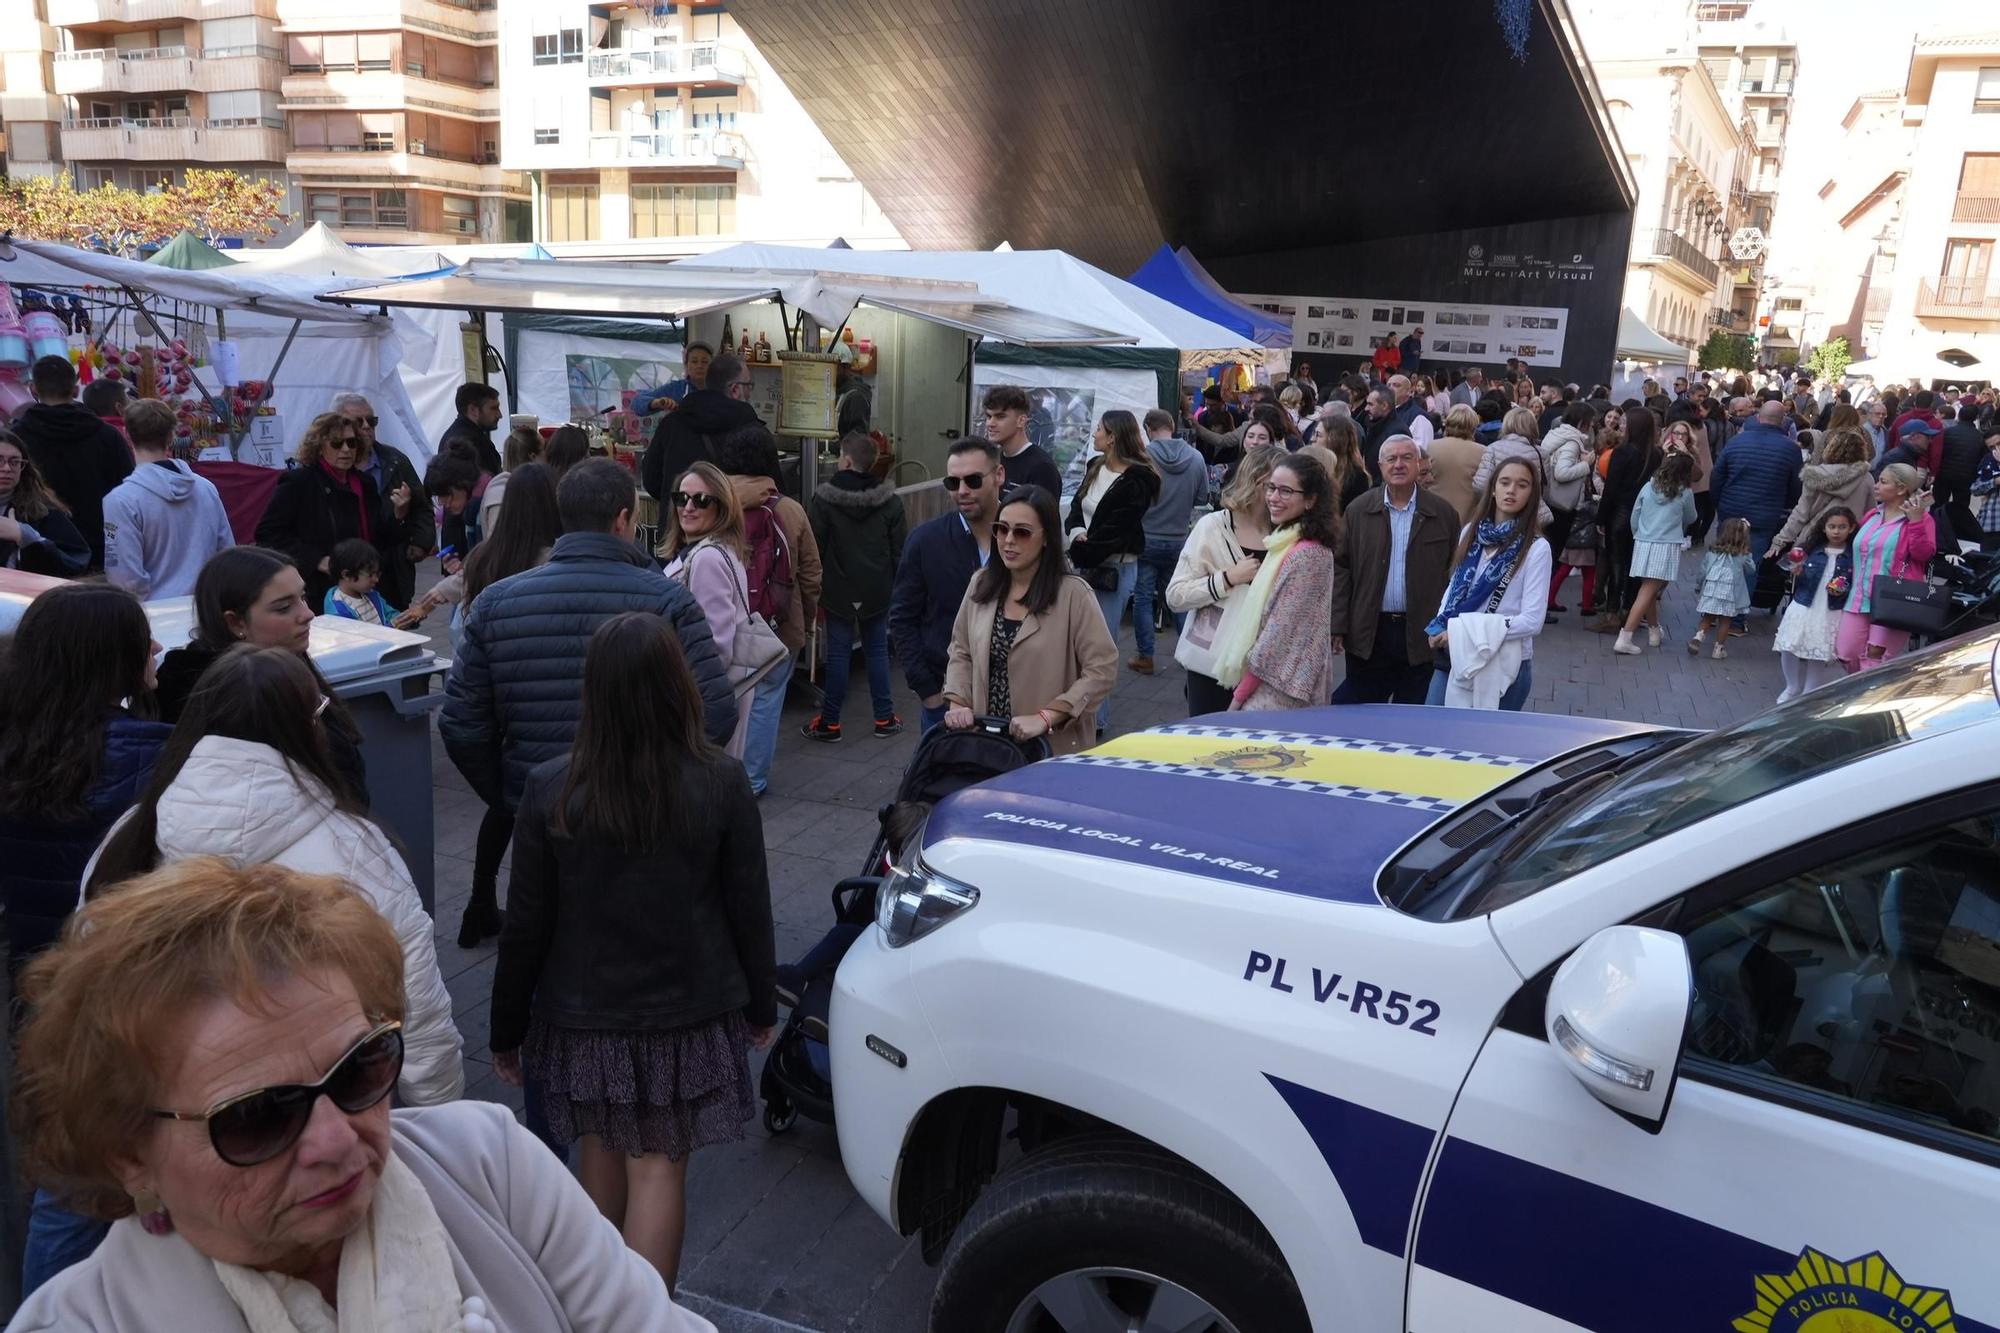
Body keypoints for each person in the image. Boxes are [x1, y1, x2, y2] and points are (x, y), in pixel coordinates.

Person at [8, 860, 707, 1330]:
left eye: (359, 1070)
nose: (339, 1140)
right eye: (256, 1116)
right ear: (129, 1150)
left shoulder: (488, 1164)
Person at [492, 612, 773, 1293]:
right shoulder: (722, 782)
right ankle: (647, 1316)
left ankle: (590, 1306)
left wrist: (506, 1029)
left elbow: (525, 925)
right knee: (659, 1166)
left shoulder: (551, 787)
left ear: (595, 691)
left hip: (585, 1012)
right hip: (688, 1006)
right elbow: (748, 904)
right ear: (679, 685)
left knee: (600, 1151)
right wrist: (761, 1003)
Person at [86, 643, 462, 1106]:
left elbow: (93, 977)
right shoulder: (355, 848)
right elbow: (415, 998)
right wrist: (440, 1114)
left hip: (178, 1109)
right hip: (320, 1106)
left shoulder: (130, 835)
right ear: (306, 727)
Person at [442, 458, 737, 821]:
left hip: (541, 810)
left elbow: (461, 723)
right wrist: (658, 778)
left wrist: (513, 792)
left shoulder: (494, 603)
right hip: (640, 813)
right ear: (622, 519)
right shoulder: (668, 600)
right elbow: (717, 711)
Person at [0, 583, 167, 1000]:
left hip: (37, 975)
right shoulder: (158, 755)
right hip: (129, 978)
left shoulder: (15, 743)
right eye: (142, 639)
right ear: (112, 658)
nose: (157, 647)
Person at [153, 546, 369, 802]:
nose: (308, 614)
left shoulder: (285, 664)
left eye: (303, 597)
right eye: (283, 607)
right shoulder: (234, 702)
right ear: (235, 623)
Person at [942, 484, 1117, 754]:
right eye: (1001, 528)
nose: (1008, 540)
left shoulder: (1074, 595)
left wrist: (1048, 716)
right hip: (986, 741)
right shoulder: (981, 583)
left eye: (1022, 532)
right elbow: (961, 651)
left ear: (1046, 537)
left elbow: (1101, 669)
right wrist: (958, 702)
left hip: (1047, 749)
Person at [714, 424, 820, 791]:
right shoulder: (789, 509)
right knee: (766, 701)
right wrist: (805, 620)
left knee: (722, 697)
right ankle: (752, 781)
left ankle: (717, 775)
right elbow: (810, 574)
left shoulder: (710, 505)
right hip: (777, 625)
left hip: (722, 622)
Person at [1330, 435, 1459, 704]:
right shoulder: (1358, 510)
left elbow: (1454, 575)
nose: (1398, 464)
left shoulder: (1443, 513)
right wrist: (1338, 624)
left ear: (1419, 463)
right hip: (1370, 631)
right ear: (1379, 465)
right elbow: (1342, 569)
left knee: (1412, 717)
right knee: (1360, 712)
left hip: (1422, 634)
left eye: (1406, 457)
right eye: (1391, 458)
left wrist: (1451, 626)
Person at [892, 438, 1003, 736]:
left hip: (1014, 702)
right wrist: (929, 692)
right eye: (953, 482)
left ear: (999, 476)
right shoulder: (926, 541)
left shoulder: (1023, 537)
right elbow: (902, 618)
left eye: (973, 480)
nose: (962, 491)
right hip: (945, 701)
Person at [1421, 458, 1550, 710]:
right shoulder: (1471, 531)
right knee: (1433, 734)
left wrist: (1461, 632)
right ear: (1493, 488)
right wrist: (1440, 624)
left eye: (1522, 485)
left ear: (1532, 494)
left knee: (1487, 743)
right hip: (1456, 654)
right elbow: (1454, 588)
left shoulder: (1536, 548)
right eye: (1505, 482)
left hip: (1504, 661)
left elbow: (1532, 621)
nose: (1511, 490)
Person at [1215, 453, 1339, 711]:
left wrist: (1239, 697)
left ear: (1310, 500)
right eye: (1271, 487)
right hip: (1274, 683)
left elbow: (1276, 636)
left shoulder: (1308, 554)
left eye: (1285, 491)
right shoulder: (1285, 541)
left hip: (1280, 692)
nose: (1273, 497)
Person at [255, 412, 416, 610]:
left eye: (352, 442)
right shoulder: (299, 482)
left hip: (364, 589)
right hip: (321, 593)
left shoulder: (364, 483)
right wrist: (317, 560)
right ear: (320, 447)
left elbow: (378, 539)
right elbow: (268, 534)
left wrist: (399, 514)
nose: (346, 449)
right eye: (337, 443)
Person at [804, 432, 906, 742]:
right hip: (878, 589)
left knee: (838, 655)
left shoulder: (823, 498)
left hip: (838, 589)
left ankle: (830, 723)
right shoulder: (891, 500)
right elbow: (899, 550)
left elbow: (815, 548)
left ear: (846, 460)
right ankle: (885, 718)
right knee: (876, 651)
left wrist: (812, 588)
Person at [1169, 446, 1279, 715]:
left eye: (1286, 488)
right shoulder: (1213, 527)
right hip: (1211, 665)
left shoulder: (1285, 531)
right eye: (1273, 486)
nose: (1279, 496)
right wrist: (1227, 579)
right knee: (1207, 745)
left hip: (1265, 666)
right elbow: (1175, 595)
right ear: (1254, 481)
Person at [1066, 411, 1161, 711]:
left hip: (1113, 569)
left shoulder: (1139, 479)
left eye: (1099, 429)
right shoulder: (1095, 466)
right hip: (1085, 560)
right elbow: (1076, 506)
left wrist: (1079, 551)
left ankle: (1096, 718)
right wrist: (1076, 533)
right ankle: (1078, 708)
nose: (1094, 434)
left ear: (1113, 437)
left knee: (1100, 646)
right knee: (1078, 643)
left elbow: (1117, 530)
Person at [99, 399, 232, 599]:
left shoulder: (120, 500)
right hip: (204, 605)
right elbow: (226, 552)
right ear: (172, 436)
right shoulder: (206, 488)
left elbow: (125, 578)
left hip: (155, 612)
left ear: (127, 434)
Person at [14, 355, 131, 569]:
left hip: (37, 553)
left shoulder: (16, 438)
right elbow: (126, 492)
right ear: (76, 390)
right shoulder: (108, 436)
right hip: (99, 552)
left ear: (33, 389)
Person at [333, 392, 433, 611]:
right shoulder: (333, 469)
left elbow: (422, 505)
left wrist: (421, 542)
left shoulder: (394, 460)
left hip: (391, 570)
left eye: (372, 420)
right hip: (347, 574)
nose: (367, 426)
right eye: (359, 421)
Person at [1130, 409, 1208, 675]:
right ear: (1172, 426)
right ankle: (1190, 655)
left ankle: (1146, 656)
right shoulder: (1196, 458)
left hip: (1147, 538)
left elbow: (1133, 498)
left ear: (1149, 429)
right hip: (1178, 540)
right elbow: (1202, 497)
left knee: (1142, 597)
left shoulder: (1143, 459)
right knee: (1178, 599)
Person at [1838, 463, 1937, 672]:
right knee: (1846, 653)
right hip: (1858, 598)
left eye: (1883, 482)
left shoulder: (1921, 519)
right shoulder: (1872, 515)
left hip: (1893, 599)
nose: (1876, 486)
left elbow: (1924, 554)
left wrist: (1916, 521)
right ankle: (1858, 691)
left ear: (1901, 489)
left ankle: (1865, 699)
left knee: (1876, 658)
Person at [643, 351, 759, 502]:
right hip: (726, 522)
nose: (750, 392)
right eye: (749, 385)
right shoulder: (749, 428)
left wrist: (682, 502)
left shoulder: (671, 423)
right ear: (735, 390)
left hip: (676, 520)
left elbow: (651, 481)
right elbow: (764, 487)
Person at [1613, 452, 1698, 656]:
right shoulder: (1685, 492)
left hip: (1643, 541)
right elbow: (1692, 517)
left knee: (1648, 589)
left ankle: (1653, 632)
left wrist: (1638, 534)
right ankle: (1625, 636)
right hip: (1665, 544)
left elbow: (1635, 514)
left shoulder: (1648, 486)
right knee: (1648, 590)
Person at [1590, 408, 1665, 632]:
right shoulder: (1656, 454)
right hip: (1644, 517)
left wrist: (1601, 518)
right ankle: (1629, 611)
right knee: (1634, 565)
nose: (1621, 426)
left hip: (1620, 514)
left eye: (1625, 423)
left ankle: (1612, 613)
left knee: (1616, 565)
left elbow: (1611, 489)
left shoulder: (1622, 452)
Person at [1773, 507, 1857, 702]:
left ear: (1851, 528)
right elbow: (1792, 572)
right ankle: (1792, 686)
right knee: (1789, 644)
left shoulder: (1853, 555)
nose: (1836, 531)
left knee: (1818, 650)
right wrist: (1797, 571)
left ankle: (1809, 692)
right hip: (1804, 603)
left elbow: (1855, 580)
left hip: (1831, 608)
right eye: (1832, 526)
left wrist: (1844, 588)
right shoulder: (1812, 549)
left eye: (1842, 527)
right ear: (1824, 528)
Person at [1769, 428, 1875, 560]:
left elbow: (1801, 513)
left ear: (1831, 448)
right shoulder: (1867, 478)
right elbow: (1870, 516)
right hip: (1849, 540)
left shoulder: (1815, 475)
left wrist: (1781, 540)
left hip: (1814, 538)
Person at [0, 429, 90, 575]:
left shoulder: (43, 511)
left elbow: (74, 563)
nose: (7, 468)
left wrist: (28, 538)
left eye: (15, 462)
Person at [980, 384, 1063, 500]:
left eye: (1000, 417)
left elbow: (1045, 516)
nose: (990, 424)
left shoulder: (1042, 468)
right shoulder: (993, 460)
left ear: (1021, 421)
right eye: (989, 417)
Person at [1689, 518, 1755, 659]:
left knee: (1708, 617)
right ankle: (1718, 649)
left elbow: (1703, 571)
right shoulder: (1742, 556)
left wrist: (1698, 585)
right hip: (1729, 594)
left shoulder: (1712, 552)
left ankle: (1699, 636)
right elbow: (1751, 570)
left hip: (1712, 590)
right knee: (1725, 621)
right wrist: (1748, 552)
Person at [1541, 401, 1597, 563]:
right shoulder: (1572, 443)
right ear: (1582, 422)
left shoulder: (1556, 434)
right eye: (1590, 421)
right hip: (1561, 506)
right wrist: (1586, 464)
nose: (1592, 424)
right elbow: (1561, 472)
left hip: (1549, 500)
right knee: (1553, 555)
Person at [1426, 405, 1485, 525]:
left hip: (1434, 512)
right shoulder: (1483, 452)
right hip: (1466, 517)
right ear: (1473, 426)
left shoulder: (1432, 447)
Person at [630, 341, 715, 415]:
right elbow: (637, 402)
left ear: (712, 366)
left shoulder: (720, 389)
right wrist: (656, 403)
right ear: (686, 365)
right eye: (694, 361)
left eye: (704, 362)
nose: (699, 366)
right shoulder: (676, 388)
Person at [321, 537, 393, 623]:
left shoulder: (370, 594)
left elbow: (389, 614)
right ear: (346, 575)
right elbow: (356, 635)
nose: (376, 579)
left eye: (377, 574)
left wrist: (406, 617)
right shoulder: (338, 611)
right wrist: (392, 626)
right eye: (370, 575)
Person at [438, 381, 503, 475]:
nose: (500, 415)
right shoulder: (465, 444)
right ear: (473, 410)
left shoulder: (466, 436)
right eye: (493, 408)